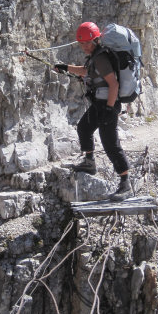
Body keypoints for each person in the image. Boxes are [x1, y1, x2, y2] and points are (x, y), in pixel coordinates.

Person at [54, 21, 133, 201]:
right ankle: (89, 163)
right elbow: (85, 71)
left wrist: (109, 109)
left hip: (108, 105)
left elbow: (114, 84)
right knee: (84, 128)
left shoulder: (101, 58)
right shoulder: (95, 56)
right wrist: (65, 68)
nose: (84, 47)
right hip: (100, 104)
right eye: (81, 44)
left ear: (96, 40)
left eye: (87, 43)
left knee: (110, 143)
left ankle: (125, 182)